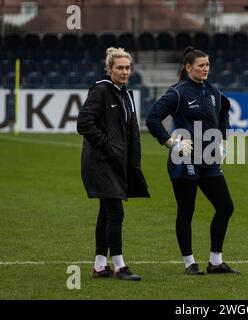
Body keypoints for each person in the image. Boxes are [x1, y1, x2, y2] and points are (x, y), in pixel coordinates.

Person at [146, 46, 238, 275]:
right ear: (189, 68)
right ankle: (189, 263)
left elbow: (223, 114)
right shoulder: (177, 93)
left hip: (209, 159)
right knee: (186, 211)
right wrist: (171, 143)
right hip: (183, 159)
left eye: (207, 65)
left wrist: (224, 141)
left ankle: (215, 262)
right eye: (201, 65)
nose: (206, 69)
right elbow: (153, 118)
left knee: (226, 207)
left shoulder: (215, 93)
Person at [77, 47, 150, 281]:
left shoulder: (124, 93)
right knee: (116, 213)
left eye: (128, 67)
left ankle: (100, 266)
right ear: (109, 69)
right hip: (100, 163)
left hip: (116, 163)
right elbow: (84, 122)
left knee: (106, 214)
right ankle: (119, 266)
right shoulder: (101, 91)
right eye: (120, 67)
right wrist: (106, 145)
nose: (125, 71)